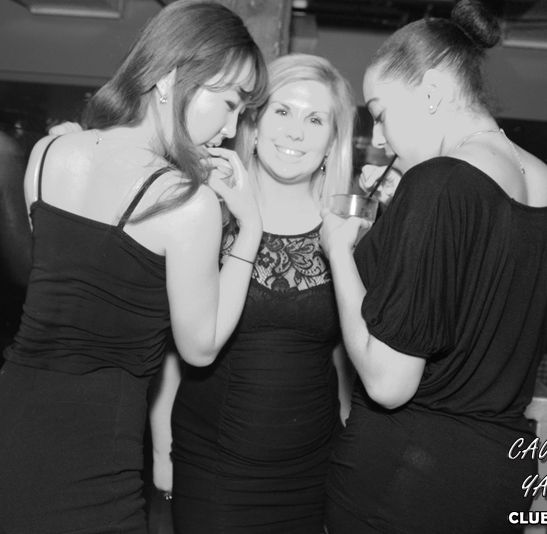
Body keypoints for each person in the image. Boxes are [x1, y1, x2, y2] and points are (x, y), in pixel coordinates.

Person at [0, 1, 268, 532]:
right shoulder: (183, 202)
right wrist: (251, 229)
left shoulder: (49, 153)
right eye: (229, 102)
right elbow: (201, 346)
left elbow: (70, 284)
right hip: (81, 470)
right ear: (170, 78)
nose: (232, 125)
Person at [318, 1, 547, 532]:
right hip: (500, 474)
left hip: (407, 478)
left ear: (431, 92)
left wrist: (340, 252)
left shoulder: (438, 183)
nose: (379, 138)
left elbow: (388, 383)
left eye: (380, 113)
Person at [150, 53, 356, 534]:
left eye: (315, 120)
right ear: (255, 124)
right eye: (282, 111)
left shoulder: (349, 231)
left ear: (332, 141)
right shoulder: (206, 208)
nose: (295, 132)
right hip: (213, 467)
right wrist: (161, 448)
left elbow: (347, 358)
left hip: (314, 471)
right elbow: (170, 345)